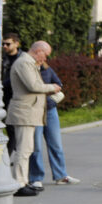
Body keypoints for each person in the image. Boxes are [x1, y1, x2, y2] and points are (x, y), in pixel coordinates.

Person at [7, 40, 59, 195]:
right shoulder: (24, 63)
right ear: (38, 51)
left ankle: (23, 181)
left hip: (29, 113)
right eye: (45, 55)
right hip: (24, 113)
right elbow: (33, 86)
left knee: (28, 148)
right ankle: (18, 184)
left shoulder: (29, 62)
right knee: (23, 150)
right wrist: (53, 88)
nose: (45, 59)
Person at [34, 56, 72, 185]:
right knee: (36, 147)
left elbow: (59, 84)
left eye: (42, 57)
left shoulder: (47, 70)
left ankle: (60, 175)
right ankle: (36, 178)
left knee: (56, 144)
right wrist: (50, 88)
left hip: (50, 110)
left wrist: (48, 94)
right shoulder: (27, 70)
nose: (40, 59)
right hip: (34, 111)